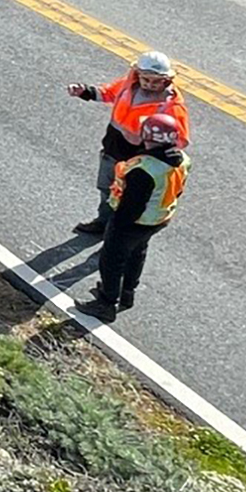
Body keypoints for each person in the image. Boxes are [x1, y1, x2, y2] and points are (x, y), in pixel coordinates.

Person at [68, 48, 188, 235]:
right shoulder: (128, 86)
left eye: (156, 81)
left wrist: (156, 149)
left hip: (138, 160)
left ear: (167, 80)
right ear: (137, 75)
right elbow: (108, 93)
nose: (150, 84)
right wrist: (85, 91)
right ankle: (103, 222)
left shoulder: (171, 107)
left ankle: (117, 232)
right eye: (145, 79)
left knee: (128, 198)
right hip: (113, 149)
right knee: (107, 189)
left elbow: (179, 139)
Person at [91, 112, 187, 313]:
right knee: (137, 254)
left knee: (111, 260)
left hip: (134, 221)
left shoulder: (144, 169)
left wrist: (118, 222)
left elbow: (132, 205)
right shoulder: (181, 160)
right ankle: (126, 294)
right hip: (158, 218)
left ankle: (107, 303)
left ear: (146, 137)